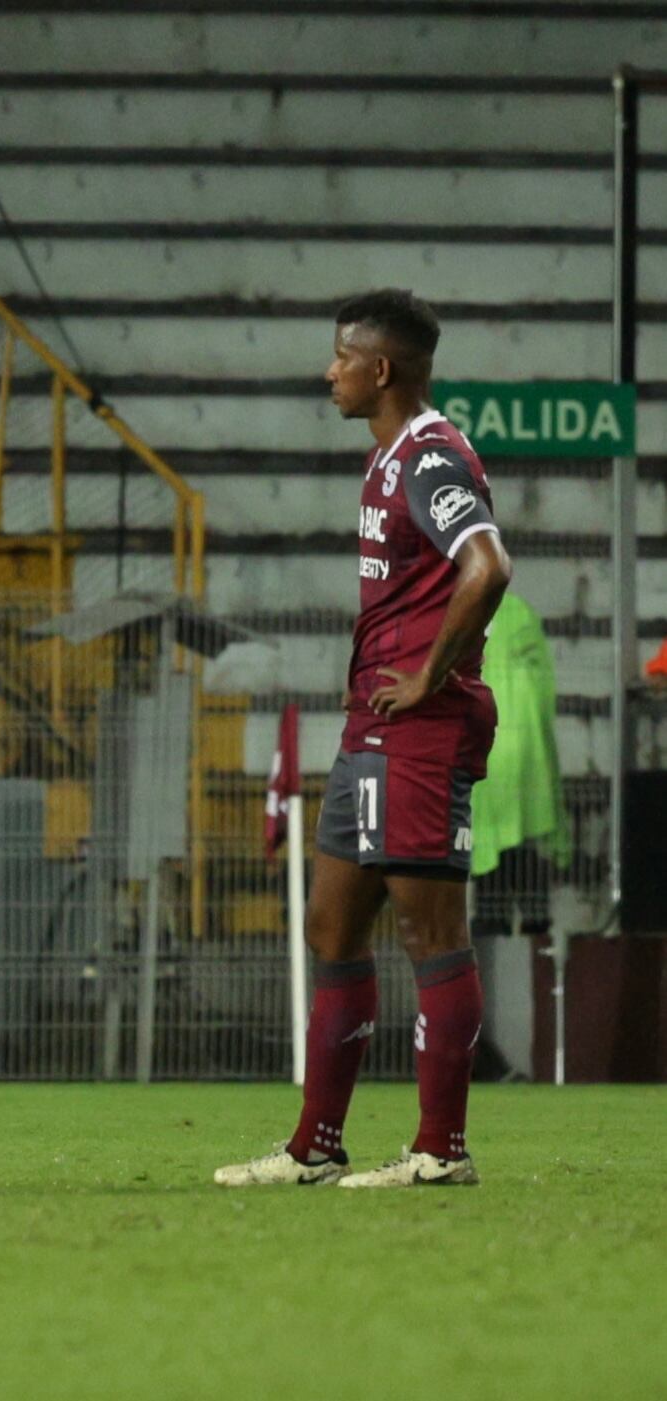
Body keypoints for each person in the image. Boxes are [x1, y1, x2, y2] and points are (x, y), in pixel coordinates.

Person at [217, 289, 510, 1190]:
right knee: (329, 922)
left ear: (379, 368)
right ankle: (315, 1145)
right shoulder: (389, 458)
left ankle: (439, 1150)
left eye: (341, 355)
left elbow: (487, 565)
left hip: (416, 726)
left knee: (430, 930)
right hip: (370, 726)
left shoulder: (427, 459)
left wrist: (428, 676)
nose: (329, 370)